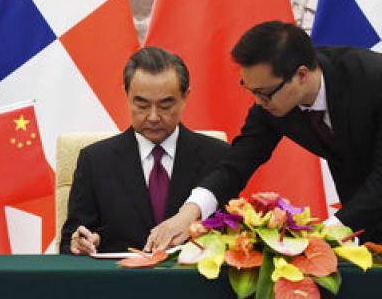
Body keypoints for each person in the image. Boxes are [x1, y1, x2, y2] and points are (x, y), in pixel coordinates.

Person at [146, 21, 382, 251]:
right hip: (365, 225)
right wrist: (190, 212)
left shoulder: (372, 79)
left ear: (301, 75)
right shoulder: (272, 105)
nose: (258, 102)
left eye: (264, 93)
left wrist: (327, 233)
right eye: (250, 90)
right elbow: (236, 165)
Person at [59, 47, 229, 254]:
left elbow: (233, 233)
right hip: (119, 281)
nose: (153, 117)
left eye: (165, 106)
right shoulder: (95, 160)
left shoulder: (218, 157)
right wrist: (83, 243)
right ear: (127, 95)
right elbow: (70, 242)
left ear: (185, 97)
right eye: (142, 105)